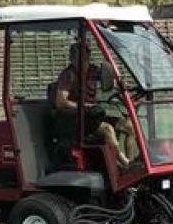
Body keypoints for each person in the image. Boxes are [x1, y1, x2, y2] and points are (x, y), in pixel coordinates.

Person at [54, 40, 137, 168]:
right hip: (77, 119)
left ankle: (132, 164)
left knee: (130, 126)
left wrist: (124, 88)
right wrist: (84, 106)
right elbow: (60, 102)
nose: (84, 59)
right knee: (107, 129)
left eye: (86, 55)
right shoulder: (68, 75)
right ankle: (125, 164)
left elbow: (112, 82)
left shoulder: (93, 70)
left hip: (93, 115)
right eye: (79, 56)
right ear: (72, 58)